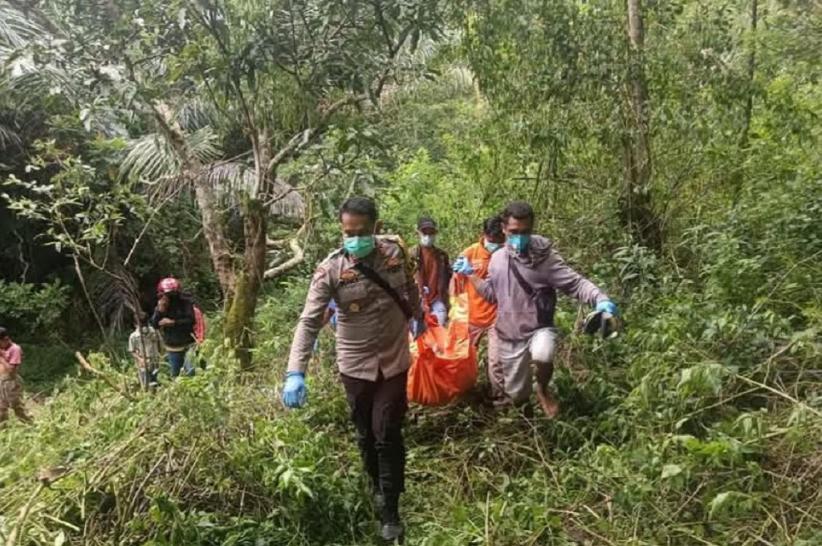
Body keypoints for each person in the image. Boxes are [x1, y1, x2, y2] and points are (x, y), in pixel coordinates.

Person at [282, 196, 422, 542]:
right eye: (347, 232)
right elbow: (309, 321)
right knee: (365, 432)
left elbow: (410, 288)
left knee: (387, 431)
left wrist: (419, 316)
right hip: (355, 364)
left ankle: (391, 509)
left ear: (376, 228)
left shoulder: (395, 253)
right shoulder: (330, 269)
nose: (353, 238)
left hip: (393, 360)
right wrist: (295, 371)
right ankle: (375, 484)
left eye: (360, 232)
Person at [456, 201, 619, 418]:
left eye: (525, 232)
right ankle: (527, 421)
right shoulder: (496, 260)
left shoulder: (545, 258)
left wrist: (601, 300)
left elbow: (576, 283)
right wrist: (471, 275)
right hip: (509, 334)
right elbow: (493, 295)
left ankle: (542, 388)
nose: (519, 237)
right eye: (514, 232)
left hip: (538, 328)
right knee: (517, 394)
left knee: (543, 353)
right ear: (504, 229)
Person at [452, 215, 506, 404]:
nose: (497, 245)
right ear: (483, 235)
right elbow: (455, 284)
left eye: (501, 241)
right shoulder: (470, 253)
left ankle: (499, 398)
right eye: (493, 241)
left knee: (497, 361)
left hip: (497, 317)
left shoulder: (507, 253)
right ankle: (463, 394)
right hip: (472, 316)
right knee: (462, 358)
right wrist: (453, 312)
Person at [151, 277, 196, 377]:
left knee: (191, 371)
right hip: (173, 346)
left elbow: (191, 320)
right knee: (175, 374)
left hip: (189, 343)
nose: (171, 296)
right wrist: (159, 311)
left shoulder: (185, 302)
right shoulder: (162, 304)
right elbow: (154, 324)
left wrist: (173, 322)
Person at [412, 216, 451, 326]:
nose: (428, 236)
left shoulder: (442, 256)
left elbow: (449, 278)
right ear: (418, 233)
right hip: (417, 301)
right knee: (418, 336)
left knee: (438, 333)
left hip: (437, 300)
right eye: (425, 232)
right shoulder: (411, 255)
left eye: (431, 232)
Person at [0, 327, 32, 425]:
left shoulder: (15, 349)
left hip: (11, 381)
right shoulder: (2, 348)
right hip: (1, 380)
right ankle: (3, 429)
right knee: (1, 408)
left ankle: (31, 425)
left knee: (18, 407)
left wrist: (1, 358)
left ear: (6, 339)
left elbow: (11, 370)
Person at [128, 312, 164, 391]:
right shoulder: (134, 336)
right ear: (135, 324)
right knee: (145, 383)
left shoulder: (154, 332)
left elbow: (160, 344)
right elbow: (132, 351)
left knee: (155, 381)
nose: (144, 327)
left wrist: (160, 356)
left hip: (154, 360)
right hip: (143, 362)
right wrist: (140, 359)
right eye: (141, 325)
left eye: (145, 325)